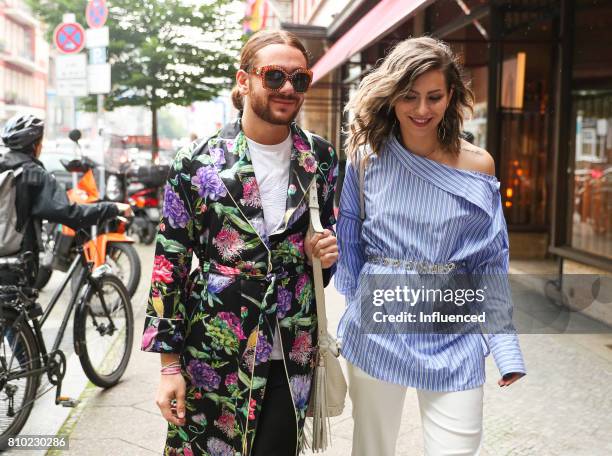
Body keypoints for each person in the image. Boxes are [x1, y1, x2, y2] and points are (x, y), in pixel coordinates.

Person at [141, 30, 339, 456]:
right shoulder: (197, 161)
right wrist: (169, 366)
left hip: (291, 345)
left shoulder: (319, 158)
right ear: (244, 80)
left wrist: (320, 254)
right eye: (273, 76)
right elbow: (168, 266)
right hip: (214, 346)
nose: (287, 88)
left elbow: (323, 266)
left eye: (299, 78)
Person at [335, 37, 526, 456]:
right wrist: (353, 305)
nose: (422, 110)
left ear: (451, 96)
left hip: (453, 331)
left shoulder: (479, 165)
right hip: (378, 324)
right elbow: (349, 236)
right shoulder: (365, 159)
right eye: (409, 96)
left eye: (434, 96)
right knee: (372, 449)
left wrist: (504, 345)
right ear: (392, 97)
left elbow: (490, 260)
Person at [0, 114, 131, 286]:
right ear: (35, 145)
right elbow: (70, 213)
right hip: (15, 264)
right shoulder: (34, 175)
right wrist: (113, 207)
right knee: (22, 310)